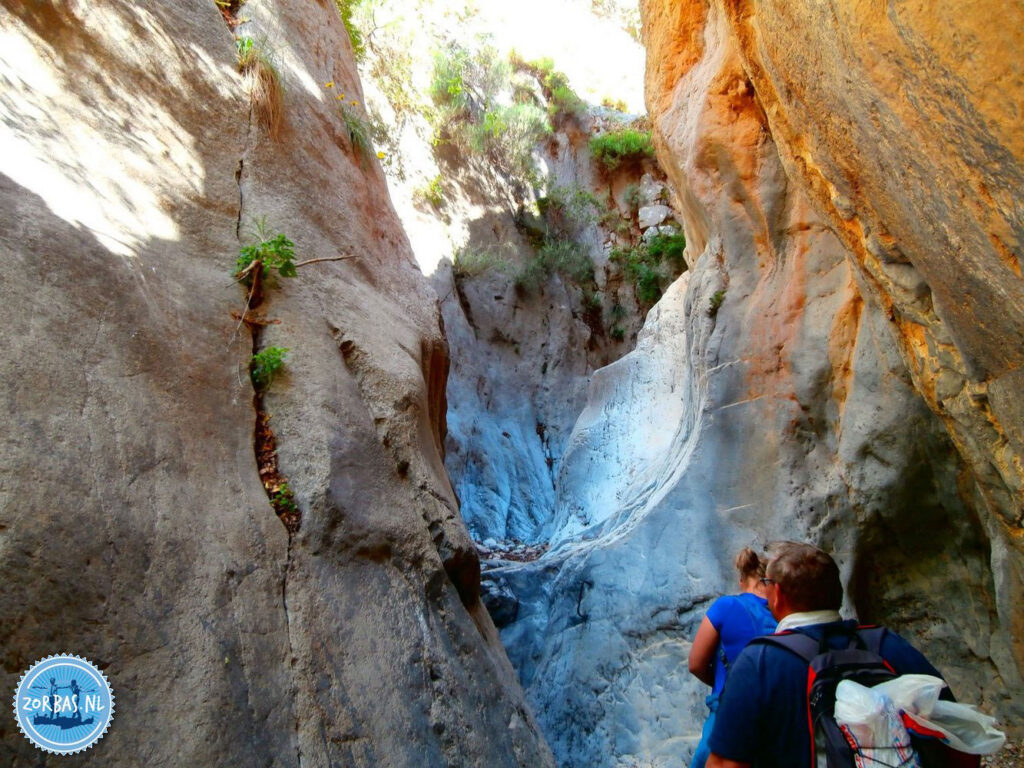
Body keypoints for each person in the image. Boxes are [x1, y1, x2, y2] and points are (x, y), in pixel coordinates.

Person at [705, 541, 977, 768]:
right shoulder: (886, 644)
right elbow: (956, 731)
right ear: (836, 591)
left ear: (777, 595)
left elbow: (724, 764)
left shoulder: (760, 661)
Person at [688, 547, 777, 768]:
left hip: (728, 713)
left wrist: (723, 682)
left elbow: (696, 663)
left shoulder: (726, 606)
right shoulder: (784, 616)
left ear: (742, 581)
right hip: (776, 717)